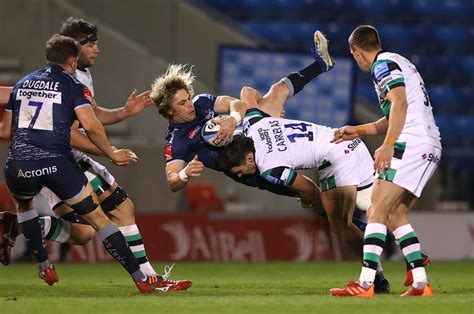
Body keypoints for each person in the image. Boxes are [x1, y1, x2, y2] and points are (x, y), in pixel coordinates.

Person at [2, 34, 161, 293]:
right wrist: (111, 152)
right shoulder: (72, 84)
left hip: (19, 166)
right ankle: (140, 277)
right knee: (99, 219)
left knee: (25, 206)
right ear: (73, 60)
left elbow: (5, 131)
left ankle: (43, 264)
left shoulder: (21, 84)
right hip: (57, 164)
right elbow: (89, 124)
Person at [53, 17, 190, 290]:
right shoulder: (69, 79)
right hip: (59, 157)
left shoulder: (78, 74)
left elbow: (89, 114)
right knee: (119, 209)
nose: (97, 49)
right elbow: (68, 132)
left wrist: (124, 113)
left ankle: (19, 225)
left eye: (96, 42)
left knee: (83, 233)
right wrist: (109, 153)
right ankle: (149, 278)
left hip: (58, 156)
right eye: (90, 43)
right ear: (73, 47)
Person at [216, 84, 390, 293]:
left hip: (336, 158)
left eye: (239, 170)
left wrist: (309, 202)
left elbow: (308, 188)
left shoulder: (268, 168)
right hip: (349, 142)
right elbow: (246, 92)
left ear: (249, 157)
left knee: (340, 224)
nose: (240, 175)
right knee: (378, 210)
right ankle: (413, 265)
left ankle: (374, 279)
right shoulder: (254, 124)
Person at [151, 31, 334, 200]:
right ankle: (324, 208)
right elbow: (172, 181)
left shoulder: (201, 102)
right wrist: (184, 174)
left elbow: (237, 104)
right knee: (311, 194)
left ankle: (322, 64)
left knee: (272, 91)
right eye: (182, 103)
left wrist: (234, 120)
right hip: (249, 166)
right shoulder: (178, 141)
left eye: (188, 98)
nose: (190, 104)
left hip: (256, 135)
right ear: (169, 111)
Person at [329, 25, 441, 297]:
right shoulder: (400, 62)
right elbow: (393, 115)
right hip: (428, 143)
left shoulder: (382, 65)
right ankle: (420, 282)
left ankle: (366, 283)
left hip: (411, 143)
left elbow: (400, 104)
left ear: (355, 51)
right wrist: (357, 129)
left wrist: (388, 145)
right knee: (394, 213)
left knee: (376, 206)